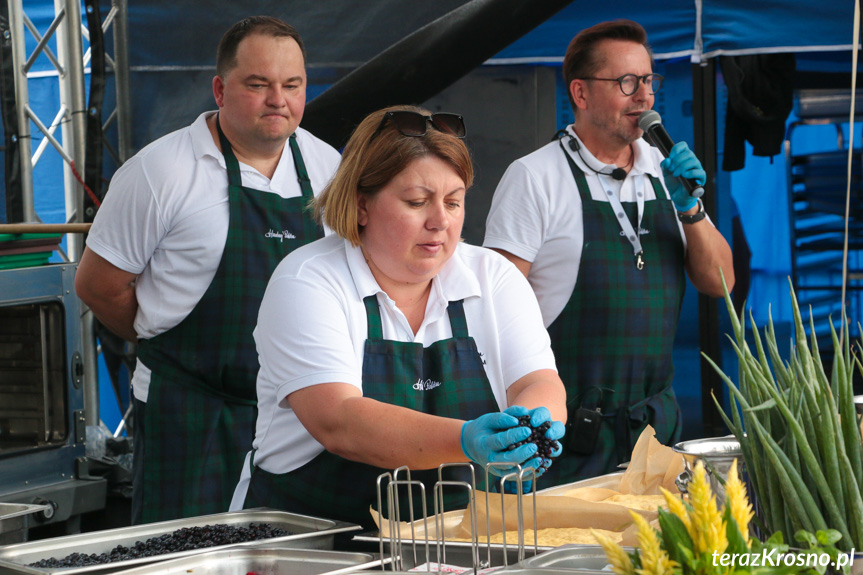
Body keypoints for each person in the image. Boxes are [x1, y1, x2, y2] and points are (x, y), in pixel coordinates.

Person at [229, 105, 567, 529]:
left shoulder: (492, 276)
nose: (440, 221)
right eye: (417, 202)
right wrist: (466, 440)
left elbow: (536, 380)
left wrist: (532, 428)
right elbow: (339, 421)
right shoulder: (307, 281)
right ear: (361, 204)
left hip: (456, 539)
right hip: (316, 539)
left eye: (453, 202)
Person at [74, 16, 341, 524]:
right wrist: (172, 341)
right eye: (258, 84)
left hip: (296, 413)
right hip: (190, 410)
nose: (277, 101)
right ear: (220, 88)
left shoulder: (327, 167)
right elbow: (98, 286)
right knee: (180, 550)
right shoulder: (161, 172)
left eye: (292, 85)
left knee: (284, 550)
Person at [483, 20, 734, 485]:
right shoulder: (534, 178)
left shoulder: (667, 170)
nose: (644, 97)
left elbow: (720, 283)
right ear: (580, 93)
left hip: (655, 432)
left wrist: (692, 210)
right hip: (565, 434)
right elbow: (492, 312)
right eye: (626, 82)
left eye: (649, 81)